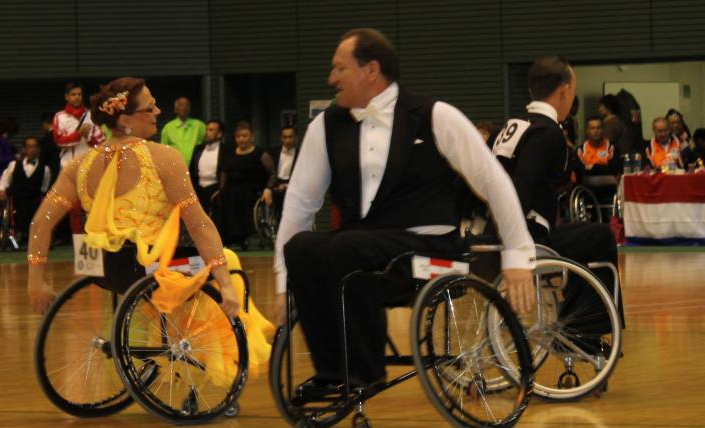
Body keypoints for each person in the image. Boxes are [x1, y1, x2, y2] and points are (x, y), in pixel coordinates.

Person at [274, 29, 536, 392]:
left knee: (346, 247)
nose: (331, 78)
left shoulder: (435, 115)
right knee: (301, 248)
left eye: (339, 68)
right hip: (362, 246)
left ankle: (363, 373)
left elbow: (493, 182)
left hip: (427, 246)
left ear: (371, 70)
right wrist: (282, 283)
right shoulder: (325, 125)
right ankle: (333, 373)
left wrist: (519, 254)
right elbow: (299, 205)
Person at [26, 77, 271, 376]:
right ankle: (223, 367)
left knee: (163, 271)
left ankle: (145, 354)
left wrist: (35, 282)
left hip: (98, 267)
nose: (157, 112)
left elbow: (40, 223)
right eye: (150, 107)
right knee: (225, 262)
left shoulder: (80, 166)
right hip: (145, 266)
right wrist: (225, 282)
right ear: (126, 119)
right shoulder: (164, 158)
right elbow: (198, 223)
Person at [493, 55, 623, 331]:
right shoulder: (547, 132)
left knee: (582, 235)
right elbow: (522, 188)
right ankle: (585, 331)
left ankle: (577, 321)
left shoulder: (512, 125)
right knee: (600, 236)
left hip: (495, 230)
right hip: (527, 235)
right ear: (565, 91)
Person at [53, 82, 105, 234]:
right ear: (67, 97)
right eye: (73, 94)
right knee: (74, 208)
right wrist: (79, 135)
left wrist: (88, 136)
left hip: (89, 164)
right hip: (68, 166)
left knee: (93, 204)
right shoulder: (60, 117)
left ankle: (95, 238)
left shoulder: (91, 115)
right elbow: (59, 141)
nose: (77, 97)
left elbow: (100, 141)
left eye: (79, 94)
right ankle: (78, 240)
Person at [215, 121, 275, 248]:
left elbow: (273, 173)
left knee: (237, 195)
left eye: (244, 136)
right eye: (238, 136)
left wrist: (268, 189)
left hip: (252, 188)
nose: (241, 139)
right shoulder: (229, 153)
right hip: (231, 188)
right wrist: (220, 189)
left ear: (252, 137)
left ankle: (239, 236)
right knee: (222, 196)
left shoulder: (261, 154)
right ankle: (223, 237)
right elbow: (224, 172)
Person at [0, 136, 51, 243]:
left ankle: (34, 234)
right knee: (19, 206)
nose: (32, 149)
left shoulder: (45, 169)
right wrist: (1, 190)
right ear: (24, 149)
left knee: (37, 206)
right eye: (29, 147)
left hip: (34, 199)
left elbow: (44, 188)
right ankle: (19, 233)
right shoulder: (13, 165)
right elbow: (5, 179)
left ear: (39, 149)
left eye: (35, 147)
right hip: (17, 198)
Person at [262, 126, 298, 222]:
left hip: (293, 185)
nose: (287, 140)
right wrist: (268, 188)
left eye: (290, 137)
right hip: (275, 183)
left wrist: (287, 185)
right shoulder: (273, 152)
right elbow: (270, 173)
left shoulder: (300, 154)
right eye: (285, 137)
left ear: (296, 138)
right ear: (281, 138)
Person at [189, 120, 224, 215]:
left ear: (219, 134)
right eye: (206, 130)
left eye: (211, 130)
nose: (206, 133)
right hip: (199, 189)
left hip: (217, 190)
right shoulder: (198, 149)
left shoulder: (225, 150)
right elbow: (192, 171)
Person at [160, 96, 206, 165]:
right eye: (181, 105)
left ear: (190, 109)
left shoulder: (199, 125)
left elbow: (208, 145)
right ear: (175, 109)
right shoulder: (168, 127)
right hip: (175, 166)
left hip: (197, 166)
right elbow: (163, 150)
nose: (184, 108)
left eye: (187, 106)